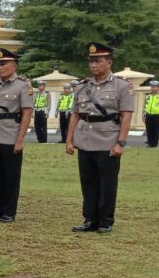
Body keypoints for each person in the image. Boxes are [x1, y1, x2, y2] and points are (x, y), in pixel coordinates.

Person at [66, 42, 134, 233]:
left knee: (107, 184)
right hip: (85, 140)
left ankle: (105, 221)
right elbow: (75, 115)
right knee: (88, 182)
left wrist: (120, 143)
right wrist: (70, 140)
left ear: (109, 62)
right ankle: (90, 219)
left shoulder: (122, 86)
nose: (93, 65)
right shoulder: (82, 87)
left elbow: (126, 116)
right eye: (91, 61)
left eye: (98, 61)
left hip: (107, 141)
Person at [0, 49, 33, 223]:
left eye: (4, 64)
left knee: (10, 175)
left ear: (14, 65)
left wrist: (20, 139)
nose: (0, 67)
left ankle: (9, 211)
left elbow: (26, 114)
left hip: (11, 134)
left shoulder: (23, 85)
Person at [143, 79, 159, 147]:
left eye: (154, 87)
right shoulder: (148, 96)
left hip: (157, 115)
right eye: (151, 87)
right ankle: (150, 142)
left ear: (158, 88)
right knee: (149, 129)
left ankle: (154, 143)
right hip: (148, 115)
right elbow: (144, 105)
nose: (152, 88)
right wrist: (143, 115)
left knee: (155, 130)